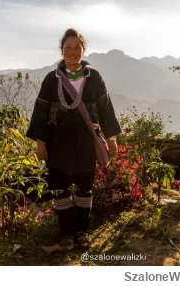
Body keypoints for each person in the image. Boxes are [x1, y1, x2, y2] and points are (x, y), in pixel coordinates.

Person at [26, 28, 121, 250]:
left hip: (86, 142)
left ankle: (82, 231)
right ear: (61, 51)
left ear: (83, 50)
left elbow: (106, 108)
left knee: (84, 189)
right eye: (68, 47)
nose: (72, 52)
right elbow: (41, 110)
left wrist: (112, 138)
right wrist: (40, 142)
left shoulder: (93, 77)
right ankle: (66, 232)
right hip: (57, 142)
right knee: (60, 189)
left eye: (77, 47)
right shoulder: (52, 79)